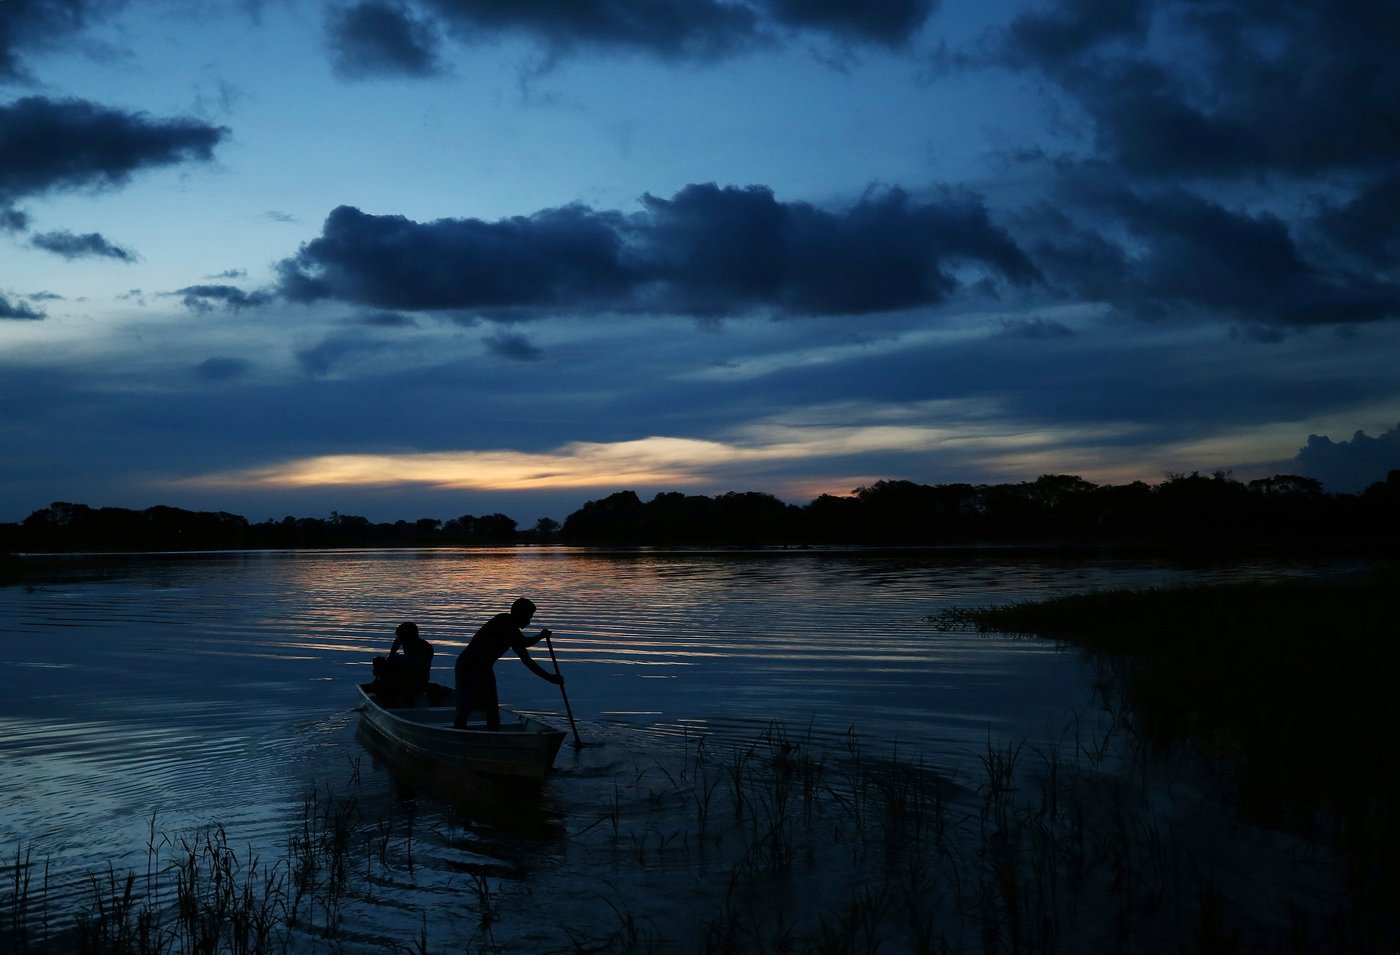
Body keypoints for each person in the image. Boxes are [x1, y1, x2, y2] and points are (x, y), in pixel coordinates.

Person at [454, 597, 562, 730]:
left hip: (485, 668)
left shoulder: (514, 635)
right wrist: (541, 636)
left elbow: (527, 661)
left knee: (492, 706)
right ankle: (459, 733)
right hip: (468, 665)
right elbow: (524, 642)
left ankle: (494, 738)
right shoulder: (504, 621)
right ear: (519, 613)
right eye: (528, 617)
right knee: (466, 705)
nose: (529, 621)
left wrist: (550, 678)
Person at [372, 621, 434, 705]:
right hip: (406, 678)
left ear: (408, 637)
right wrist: (390, 658)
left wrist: (394, 663)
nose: (400, 640)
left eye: (401, 638)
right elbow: (396, 643)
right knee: (383, 666)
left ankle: (399, 703)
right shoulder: (406, 642)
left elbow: (414, 668)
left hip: (417, 683)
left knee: (385, 680)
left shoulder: (425, 648)